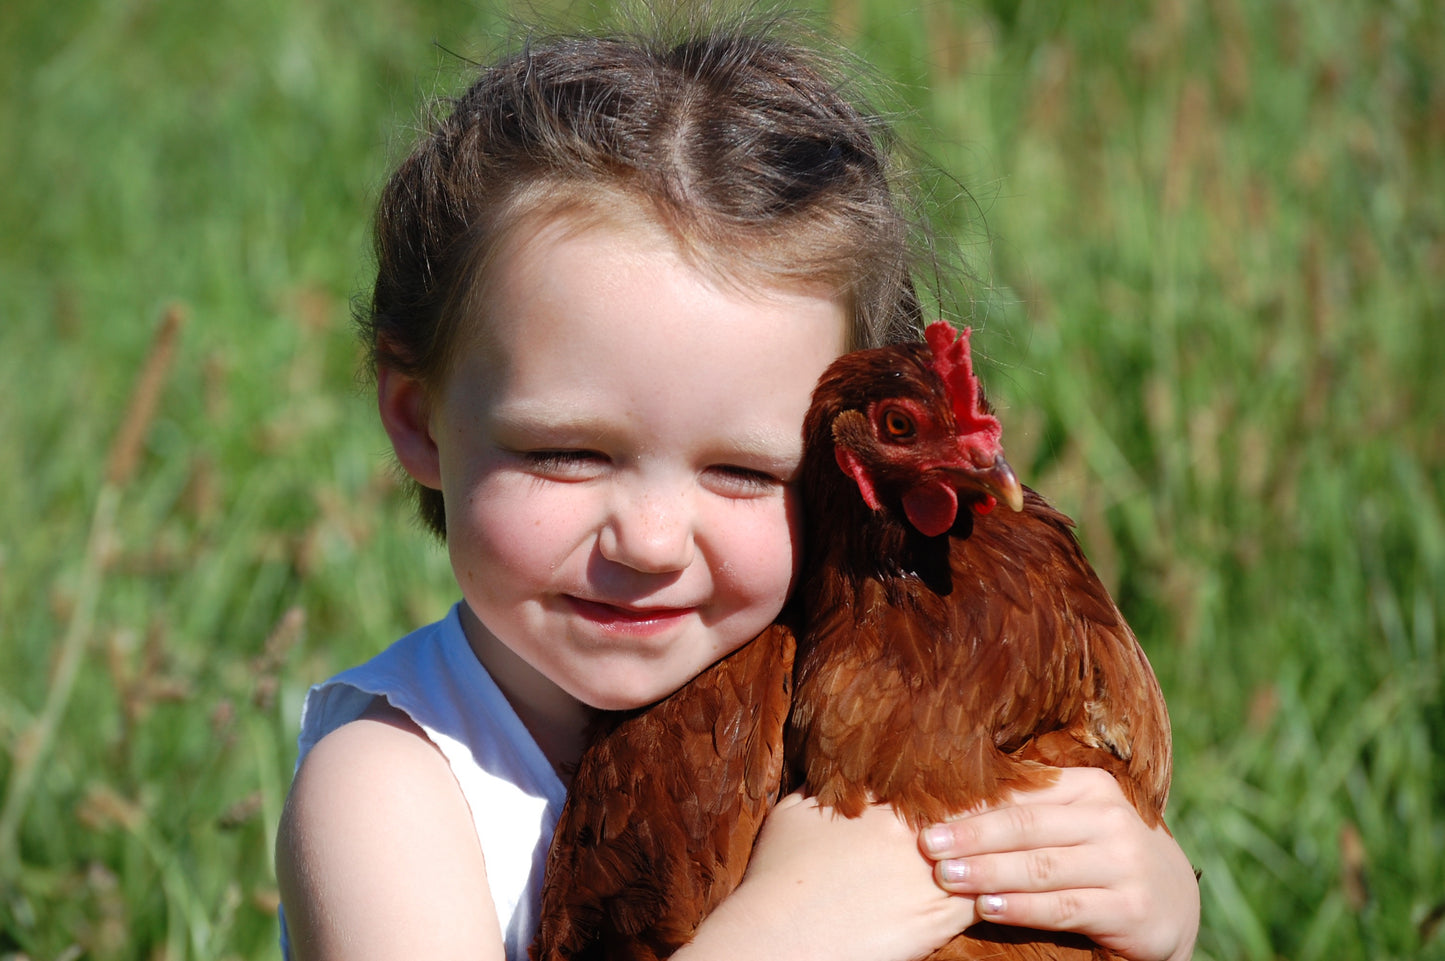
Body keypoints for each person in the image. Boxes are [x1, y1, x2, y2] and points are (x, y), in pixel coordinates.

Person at [274, 10, 1201, 961]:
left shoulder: (849, 705)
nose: (650, 539)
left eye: (744, 471)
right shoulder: (391, 785)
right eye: (567, 453)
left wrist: (1159, 905)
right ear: (419, 420)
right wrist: (787, 933)